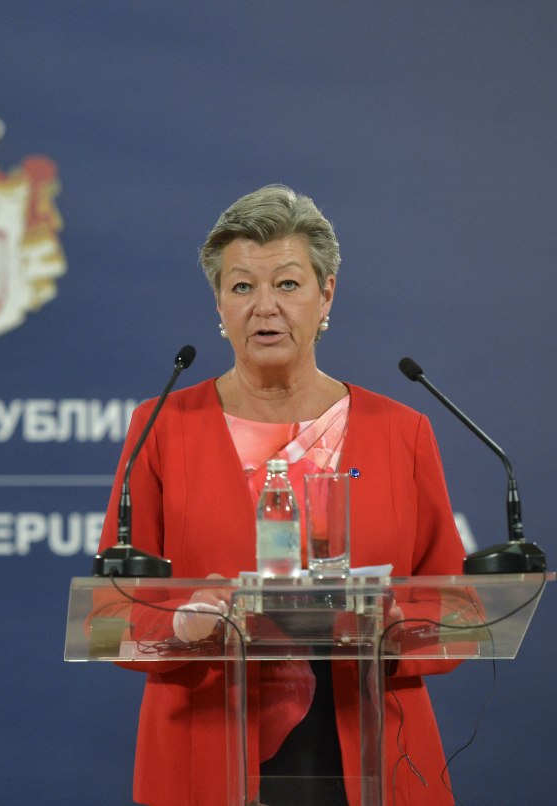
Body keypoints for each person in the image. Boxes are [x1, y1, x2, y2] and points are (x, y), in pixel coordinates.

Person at [97, 185, 466, 806]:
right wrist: (183, 624)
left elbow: (453, 602)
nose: (264, 306)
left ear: (327, 295)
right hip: (206, 751)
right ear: (219, 303)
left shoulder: (401, 432)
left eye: (288, 284)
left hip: (375, 751)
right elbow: (113, 612)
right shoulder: (161, 428)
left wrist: (399, 627)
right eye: (242, 286)